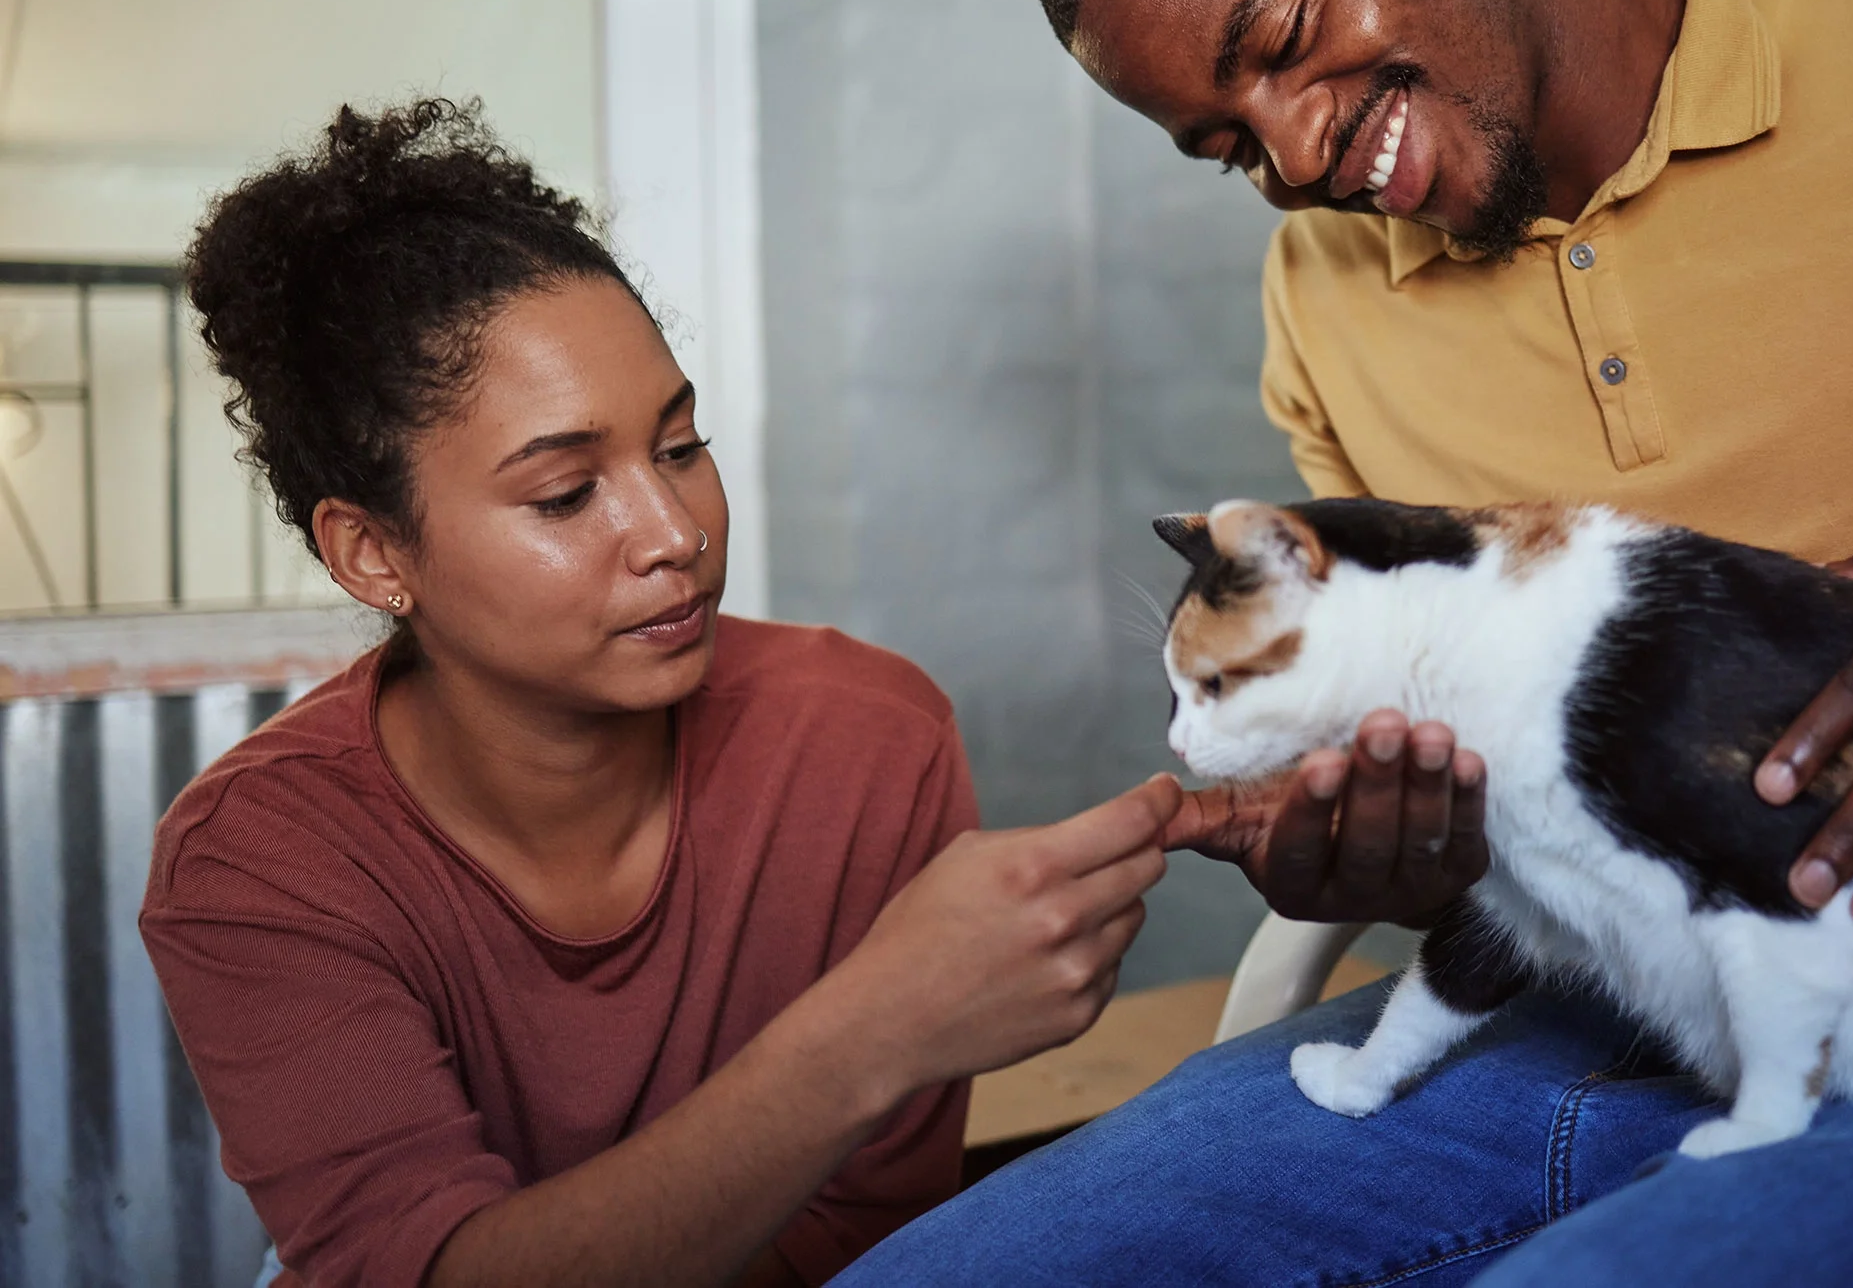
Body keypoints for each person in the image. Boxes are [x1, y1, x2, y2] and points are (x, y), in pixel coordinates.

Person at [834, 0, 1853, 1283]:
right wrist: (1387, 845)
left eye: (1287, 41)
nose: (1296, 158)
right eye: (1226, 145)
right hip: (1566, 1021)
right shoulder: (1323, 284)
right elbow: (1503, 789)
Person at [140, 99, 1484, 1288]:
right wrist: (877, 1029)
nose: (673, 529)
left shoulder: (865, 741)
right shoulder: (261, 865)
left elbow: (857, 1244)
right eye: (564, 492)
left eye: (683, 442)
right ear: (373, 553)